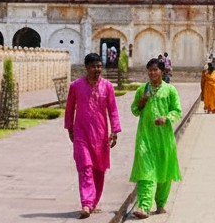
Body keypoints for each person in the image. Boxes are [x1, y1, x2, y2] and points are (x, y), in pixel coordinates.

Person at [65, 53, 121, 219]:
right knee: (85, 167)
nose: (97, 69)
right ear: (87, 68)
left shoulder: (107, 87)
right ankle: (86, 203)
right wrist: (69, 127)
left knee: (99, 169)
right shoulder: (76, 86)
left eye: (99, 66)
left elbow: (113, 109)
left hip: (101, 135)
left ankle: (93, 201)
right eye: (93, 66)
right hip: (81, 133)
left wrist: (115, 130)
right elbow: (69, 108)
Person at [129, 58, 182, 219]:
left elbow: (177, 111)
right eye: (149, 70)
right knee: (146, 171)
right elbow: (135, 110)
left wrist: (167, 118)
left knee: (164, 172)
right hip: (145, 137)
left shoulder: (170, 90)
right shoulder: (142, 90)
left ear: (162, 71)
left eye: (155, 70)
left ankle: (160, 203)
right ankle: (144, 206)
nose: (152, 73)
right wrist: (142, 101)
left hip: (164, 138)